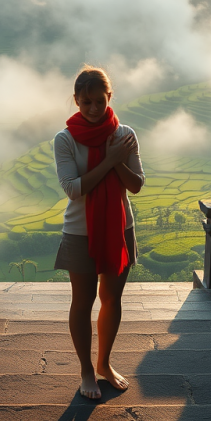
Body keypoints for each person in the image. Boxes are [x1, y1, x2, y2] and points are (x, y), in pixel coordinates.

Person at [53, 65, 145, 400]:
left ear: (110, 98)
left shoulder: (125, 134)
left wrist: (117, 159)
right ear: (76, 100)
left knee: (112, 298)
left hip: (120, 227)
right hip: (80, 231)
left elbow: (135, 185)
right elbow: (74, 189)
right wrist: (108, 161)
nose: (93, 108)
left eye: (100, 101)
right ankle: (86, 371)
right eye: (86, 101)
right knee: (83, 301)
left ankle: (104, 363)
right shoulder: (65, 139)